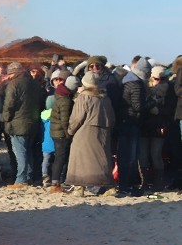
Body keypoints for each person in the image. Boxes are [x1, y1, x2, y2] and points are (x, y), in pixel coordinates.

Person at [66, 72, 116, 196]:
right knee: (102, 160)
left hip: (84, 132)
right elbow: (112, 117)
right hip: (103, 132)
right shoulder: (105, 98)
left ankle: (79, 188)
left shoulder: (84, 97)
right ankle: (109, 187)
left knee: (79, 159)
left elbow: (77, 117)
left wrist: (70, 130)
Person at [2, 62, 42, 188]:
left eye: (10, 74)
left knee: (20, 152)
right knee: (28, 151)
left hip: (18, 123)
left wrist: (5, 118)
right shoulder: (34, 84)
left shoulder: (14, 84)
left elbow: (9, 104)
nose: (8, 77)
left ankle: (21, 180)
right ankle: (29, 177)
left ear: (14, 73)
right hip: (33, 123)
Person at [116, 58, 151, 196]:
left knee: (126, 155)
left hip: (125, 122)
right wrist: (151, 104)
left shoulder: (127, 80)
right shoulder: (136, 83)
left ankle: (126, 184)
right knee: (129, 156)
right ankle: (127, 186)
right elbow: (137, 106)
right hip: (131, 122)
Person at [140, 65, 173, 190]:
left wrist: (159, 111)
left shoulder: (169, 90)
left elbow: (170, 110)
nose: (159, 82)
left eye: (162, 79)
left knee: (156, 155)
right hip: (145, 126)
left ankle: (158, 184)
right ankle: (144, 182)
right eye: (156, 79)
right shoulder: (145, 88)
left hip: (160, 126)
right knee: (143, 155)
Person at [48, 72, 76, 193]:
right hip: (61, 134)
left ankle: (56, 181)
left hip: (55, 132)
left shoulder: (59, 94)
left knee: (58, 157)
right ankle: (56, 183)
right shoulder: (66, 100)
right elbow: (65, 121)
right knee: (60, 158)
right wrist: (68, 133)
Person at [41, 95, 56, 186]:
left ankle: (45, 176)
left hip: (46, 142)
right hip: (56, 141)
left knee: (46, 161)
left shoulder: (43, 116)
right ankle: (56, 177)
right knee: (56, 161)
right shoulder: (57, 115)